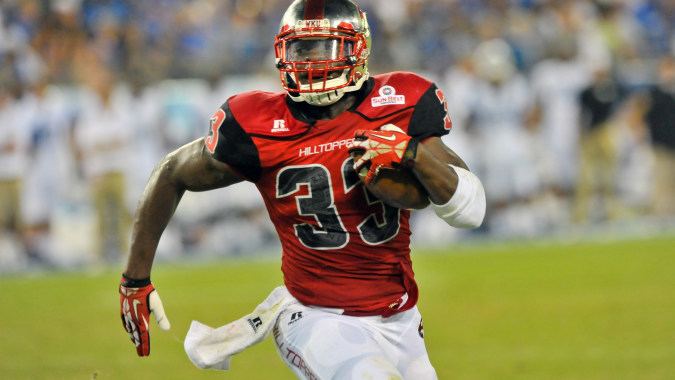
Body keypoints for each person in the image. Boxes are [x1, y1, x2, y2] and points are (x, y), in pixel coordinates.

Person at [119, 1, 485, 378]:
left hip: (400, 316)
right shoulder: (257, 123)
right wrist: (134, 280)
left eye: (325, 47)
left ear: (358, 49)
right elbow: (171, 172)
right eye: (301, 49)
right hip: (315, 316)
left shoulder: (399, 102)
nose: (311, 61)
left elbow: (470, 210)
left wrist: (409, 153)